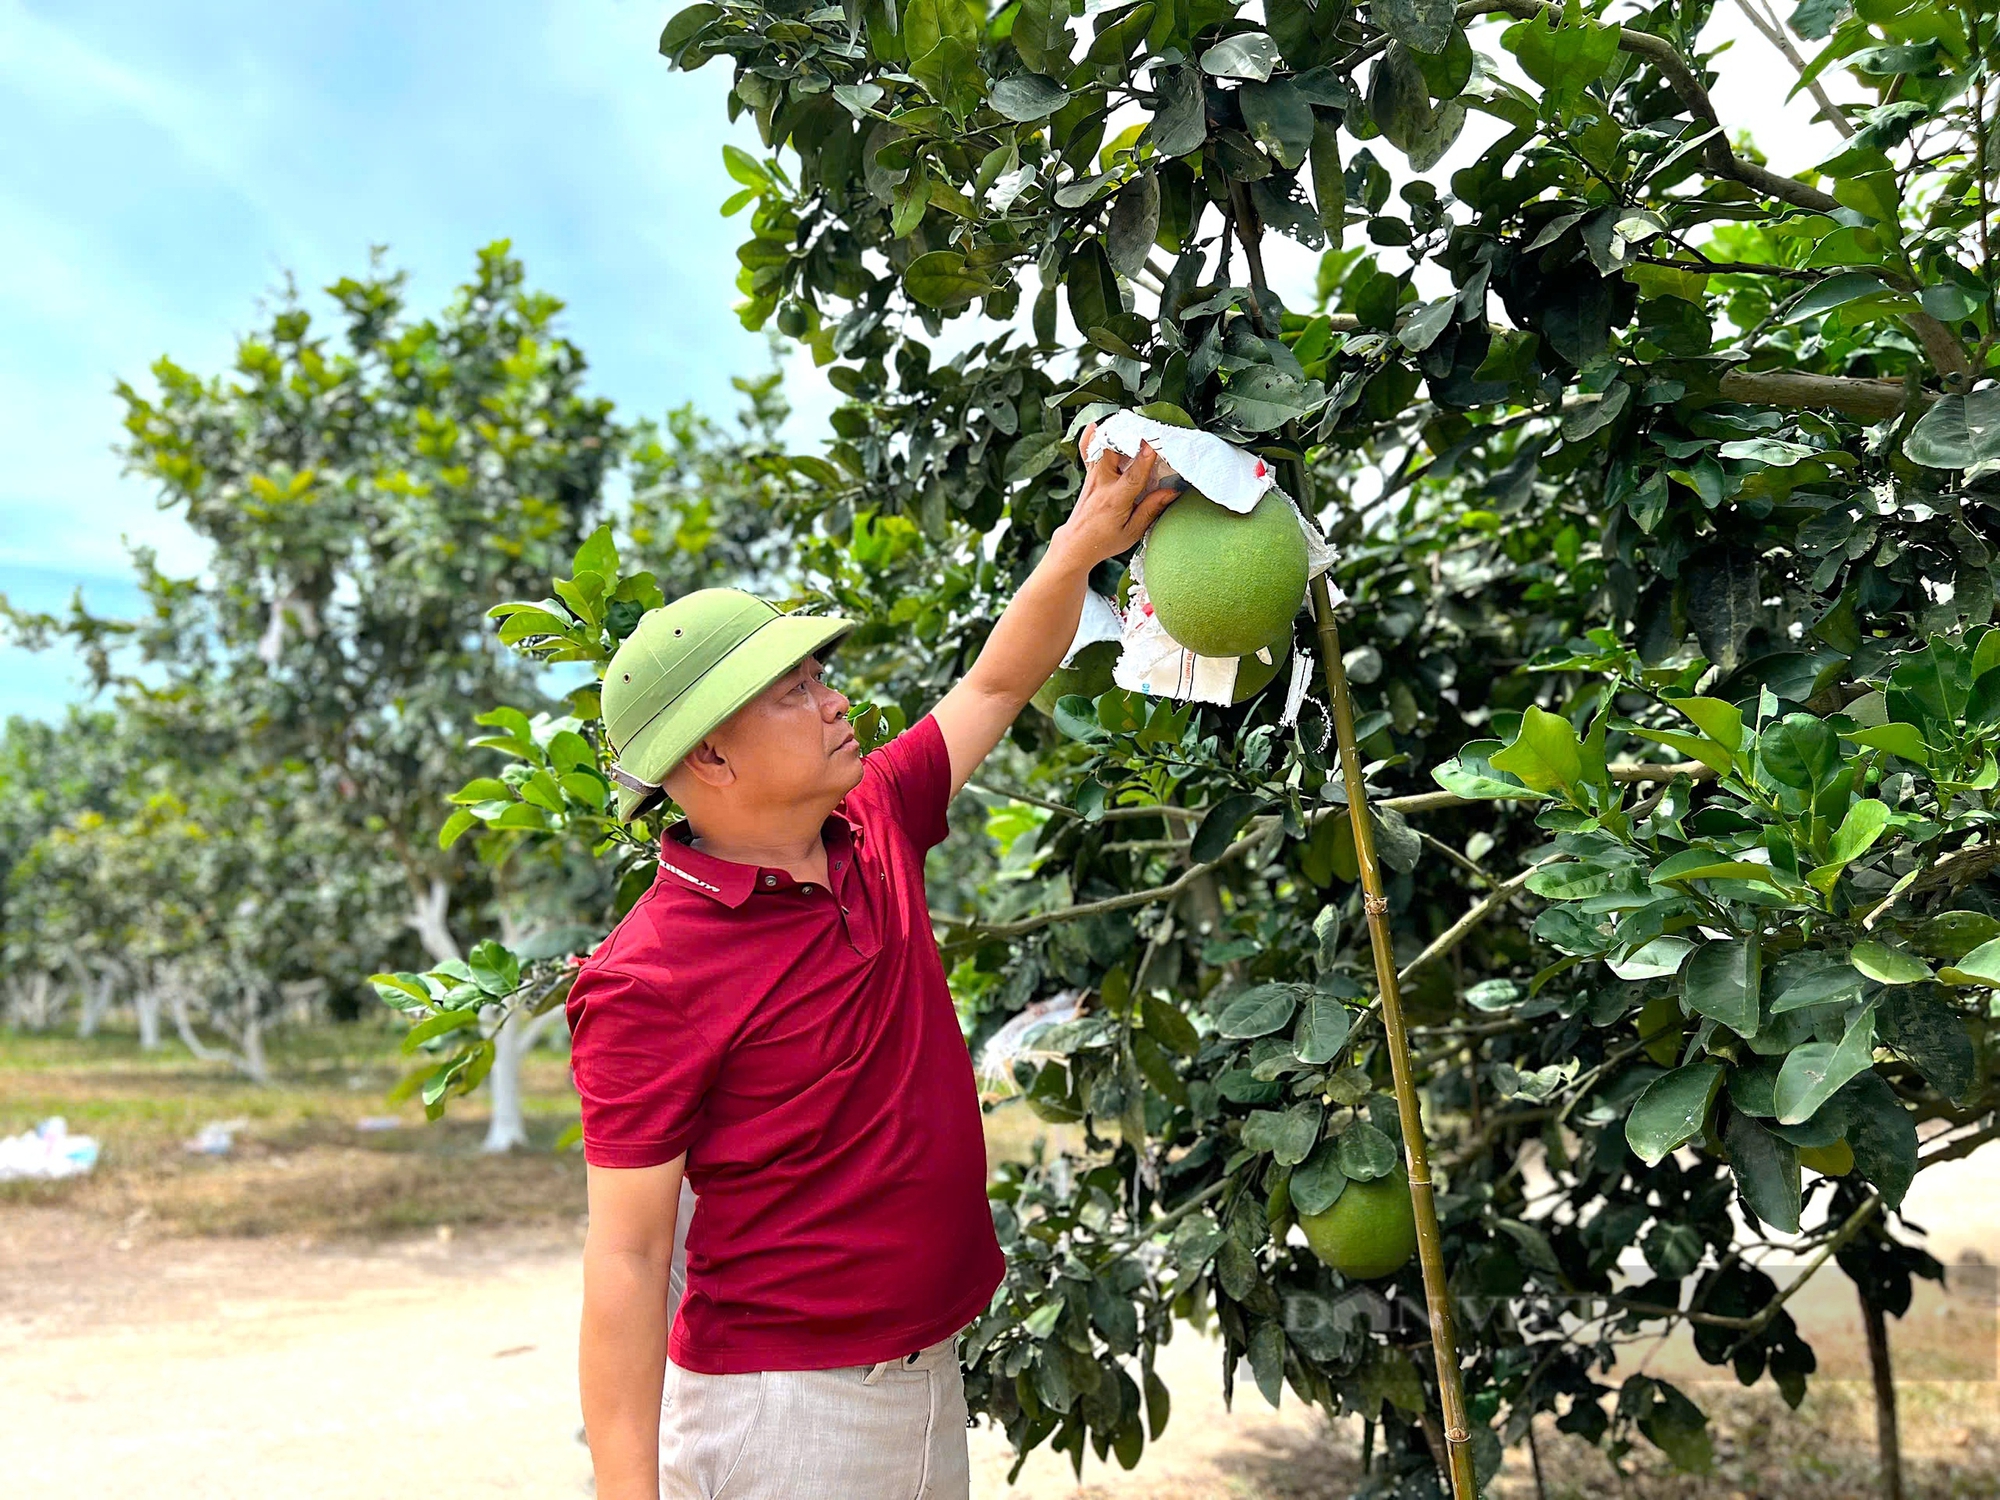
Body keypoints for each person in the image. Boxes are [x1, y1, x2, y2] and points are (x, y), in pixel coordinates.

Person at [568, 431, 1180, 1500]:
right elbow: (626, 1258)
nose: (834, 700)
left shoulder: (872, 821)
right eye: (793, 691)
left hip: (919, 1374)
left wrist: (1079, 545)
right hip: (788, 1408)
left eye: (819, 677)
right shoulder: (648, 976)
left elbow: (991, 687)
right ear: (707, 758)